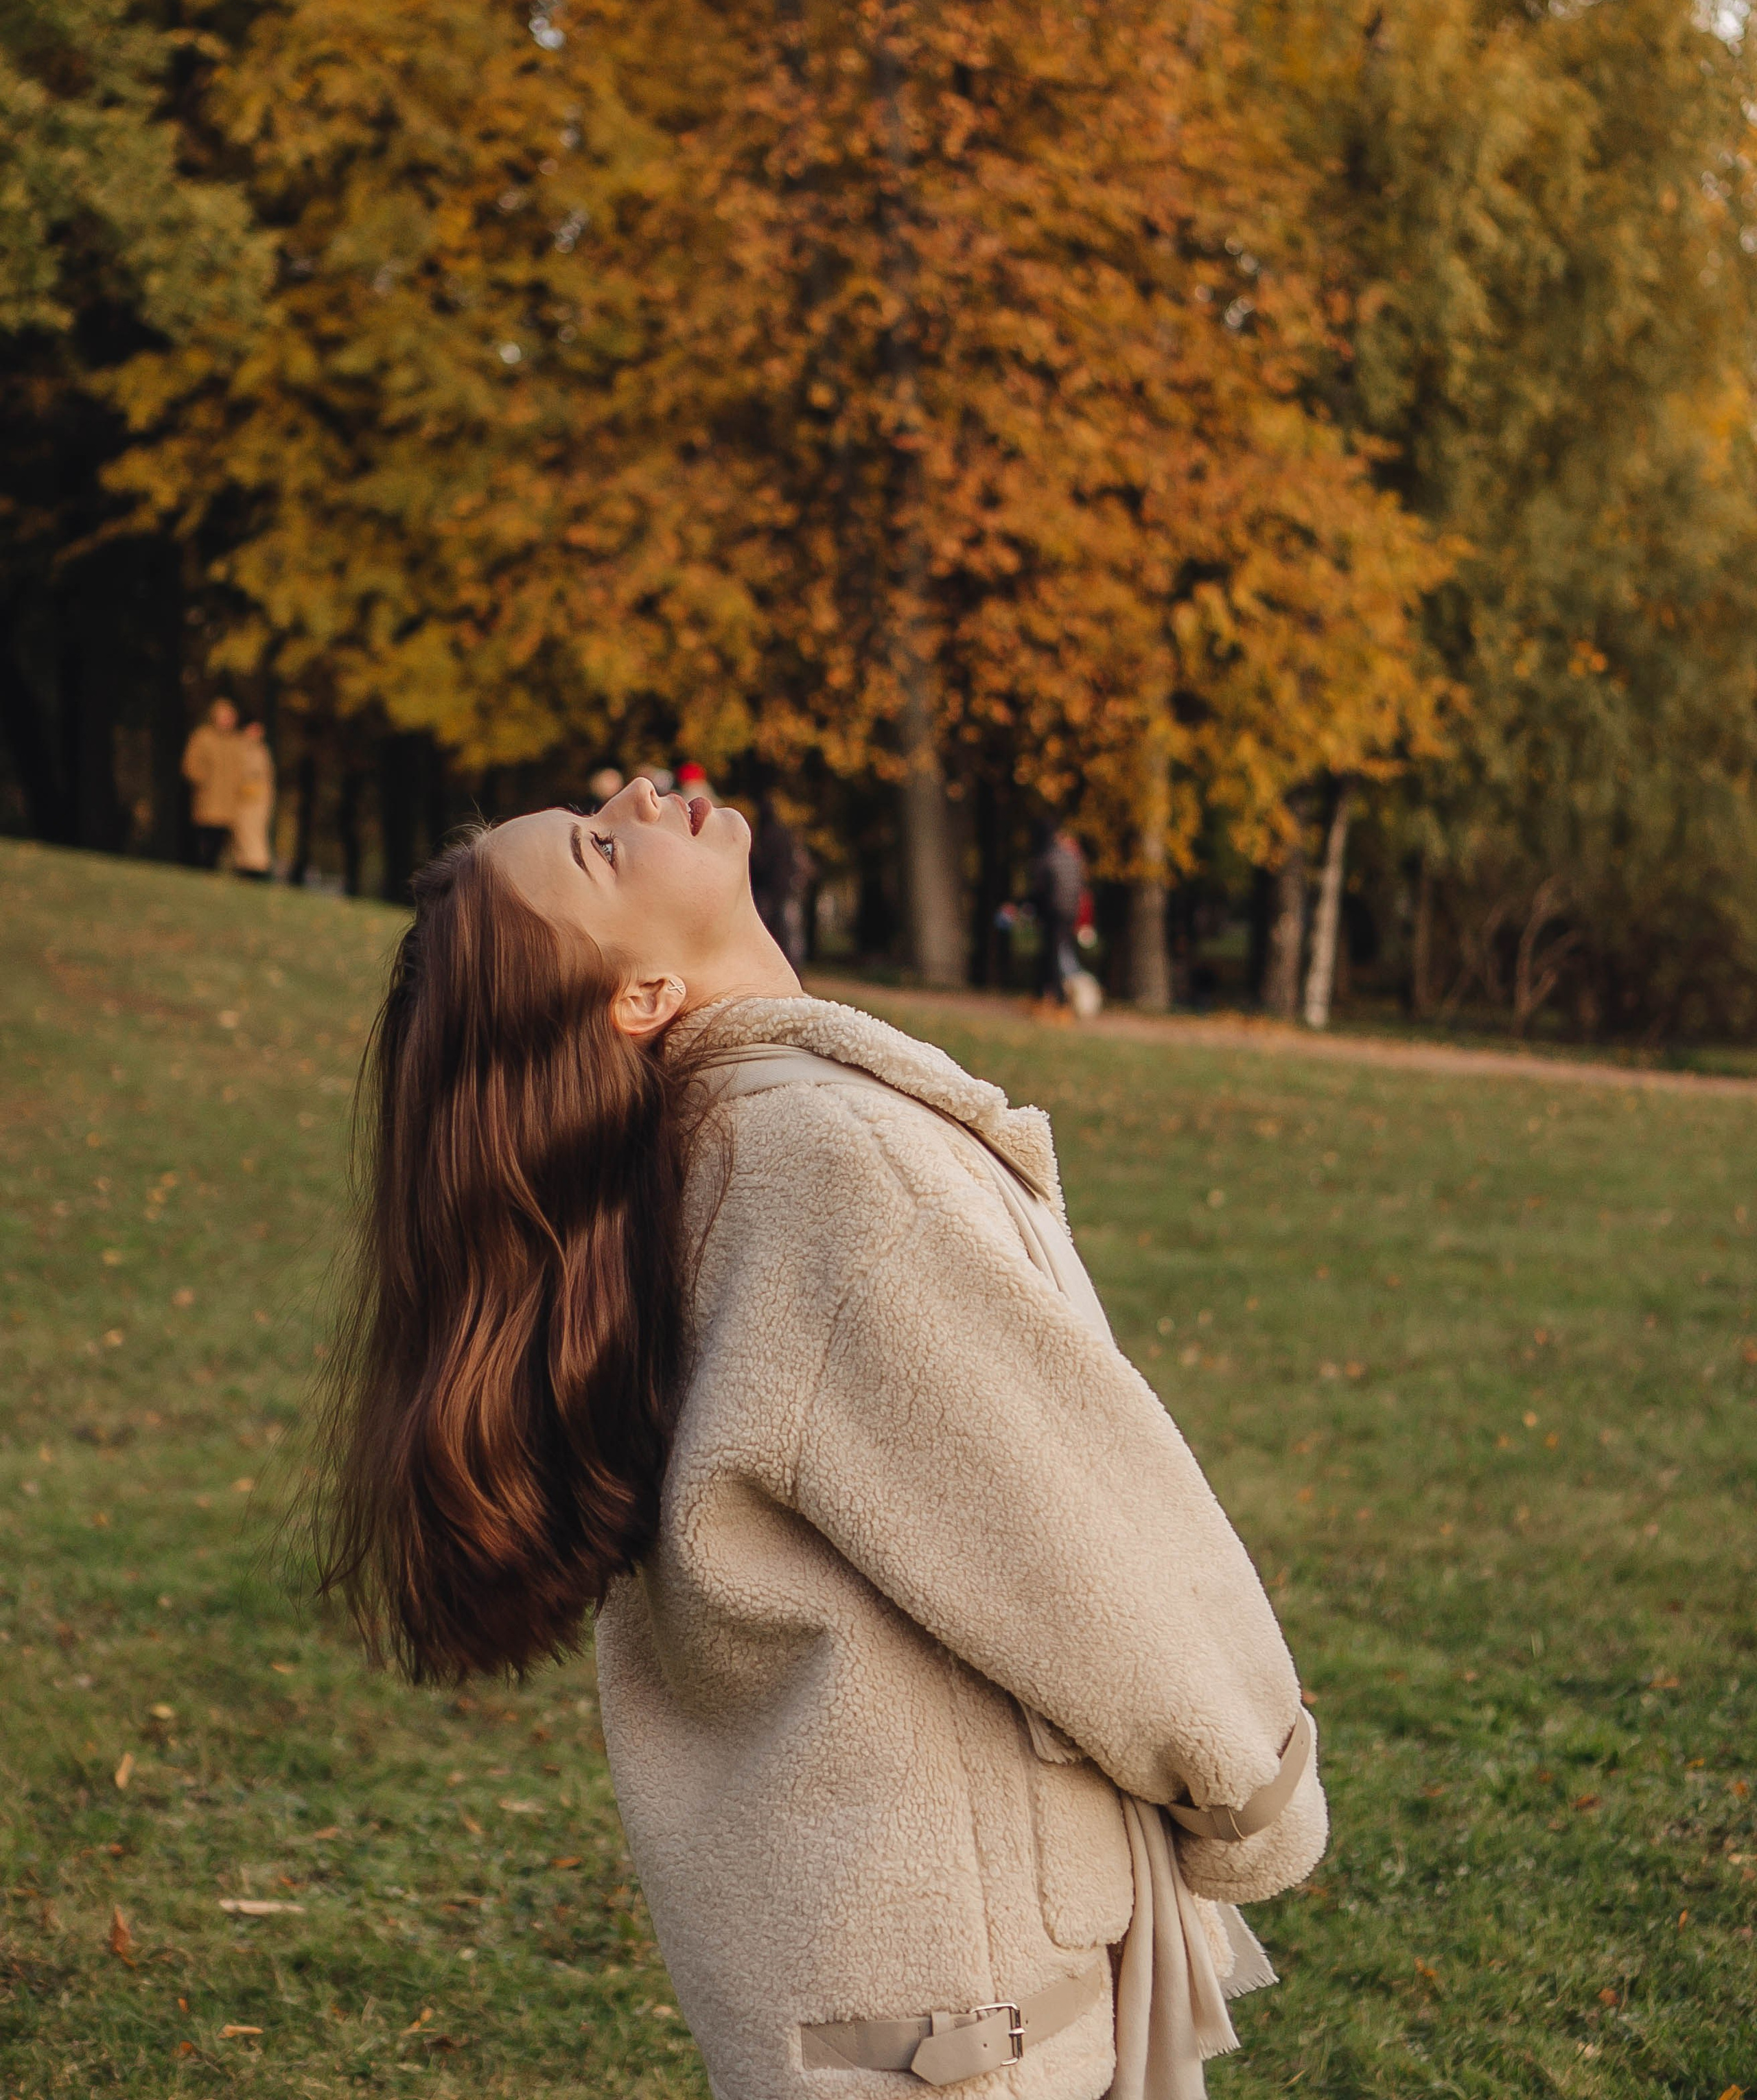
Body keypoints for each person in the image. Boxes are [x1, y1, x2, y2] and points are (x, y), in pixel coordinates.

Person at [312, 776, 1326, 2100]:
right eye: (601, 848)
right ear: (639, 1001)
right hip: (979, 2028)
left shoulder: (711, 1159)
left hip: (876, 1997)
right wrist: (1256, 1792)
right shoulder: (819, 1159)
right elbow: (1072, 1526)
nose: (633, 794)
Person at [751, 791, 814, 976]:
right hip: (785, 889)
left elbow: (760, 864)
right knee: (787, 933)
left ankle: (776, 971)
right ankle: (792, 971)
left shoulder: (764, 836)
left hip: (769, 891)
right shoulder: (784, 834)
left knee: (772, 932)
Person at [181, 700, 244, 868]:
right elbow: (191, 765)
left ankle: (208, 870)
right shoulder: (203, 737)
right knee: (203, 839)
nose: (227, 720)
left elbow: (242, 772)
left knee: (218, 843)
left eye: (230, 717)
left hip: (228, 804)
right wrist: (202, 781)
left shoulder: (237, 742)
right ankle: (197, 867)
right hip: (207, 799)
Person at [1032, 820, 1086, 1008]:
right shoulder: (1073, 859)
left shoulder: (1048, 857)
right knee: (1062, 950)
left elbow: (1039, 889)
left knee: (1051, 952)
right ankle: (1046, 992)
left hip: (1053, 911)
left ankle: (1057, 995)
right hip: (1070, 912)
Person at [229, 722, 277, 880]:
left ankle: (254, 871)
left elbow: (265, 778)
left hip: (257, 802)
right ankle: (245, 869)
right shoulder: (238, 747)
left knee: (254, 840)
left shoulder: (261, 751)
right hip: (242, 801)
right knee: (243, 839)